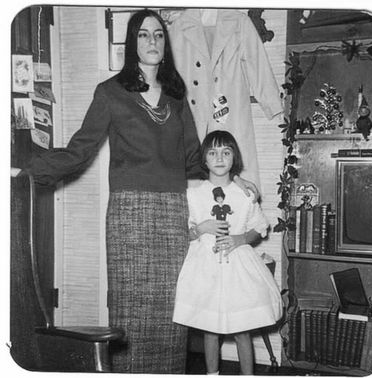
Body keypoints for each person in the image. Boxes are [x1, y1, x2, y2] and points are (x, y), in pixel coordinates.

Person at [11, 9, 259, 374]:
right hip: (130, 215)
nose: (152, 42)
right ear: (132, 43)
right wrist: (26, 173)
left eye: (158, 35)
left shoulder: (177, 98)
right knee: (131, 309)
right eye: (143, 35)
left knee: (173, 311)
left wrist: (235, 178)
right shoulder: (110, 93)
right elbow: (80, 151)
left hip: (174, 212)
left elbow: (195, 158)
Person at [173, 130, 283, 375]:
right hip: (206, 268)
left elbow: (260, 227)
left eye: (226, 152)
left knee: (242, 329)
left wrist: (240, 238)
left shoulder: (245, 195)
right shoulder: (193, 195)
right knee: (209, 329)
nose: (219, 158)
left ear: (234, 158)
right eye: (212, 152)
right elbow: (185, 233)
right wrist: (202, 228)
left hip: (238, 268)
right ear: (204, 159)